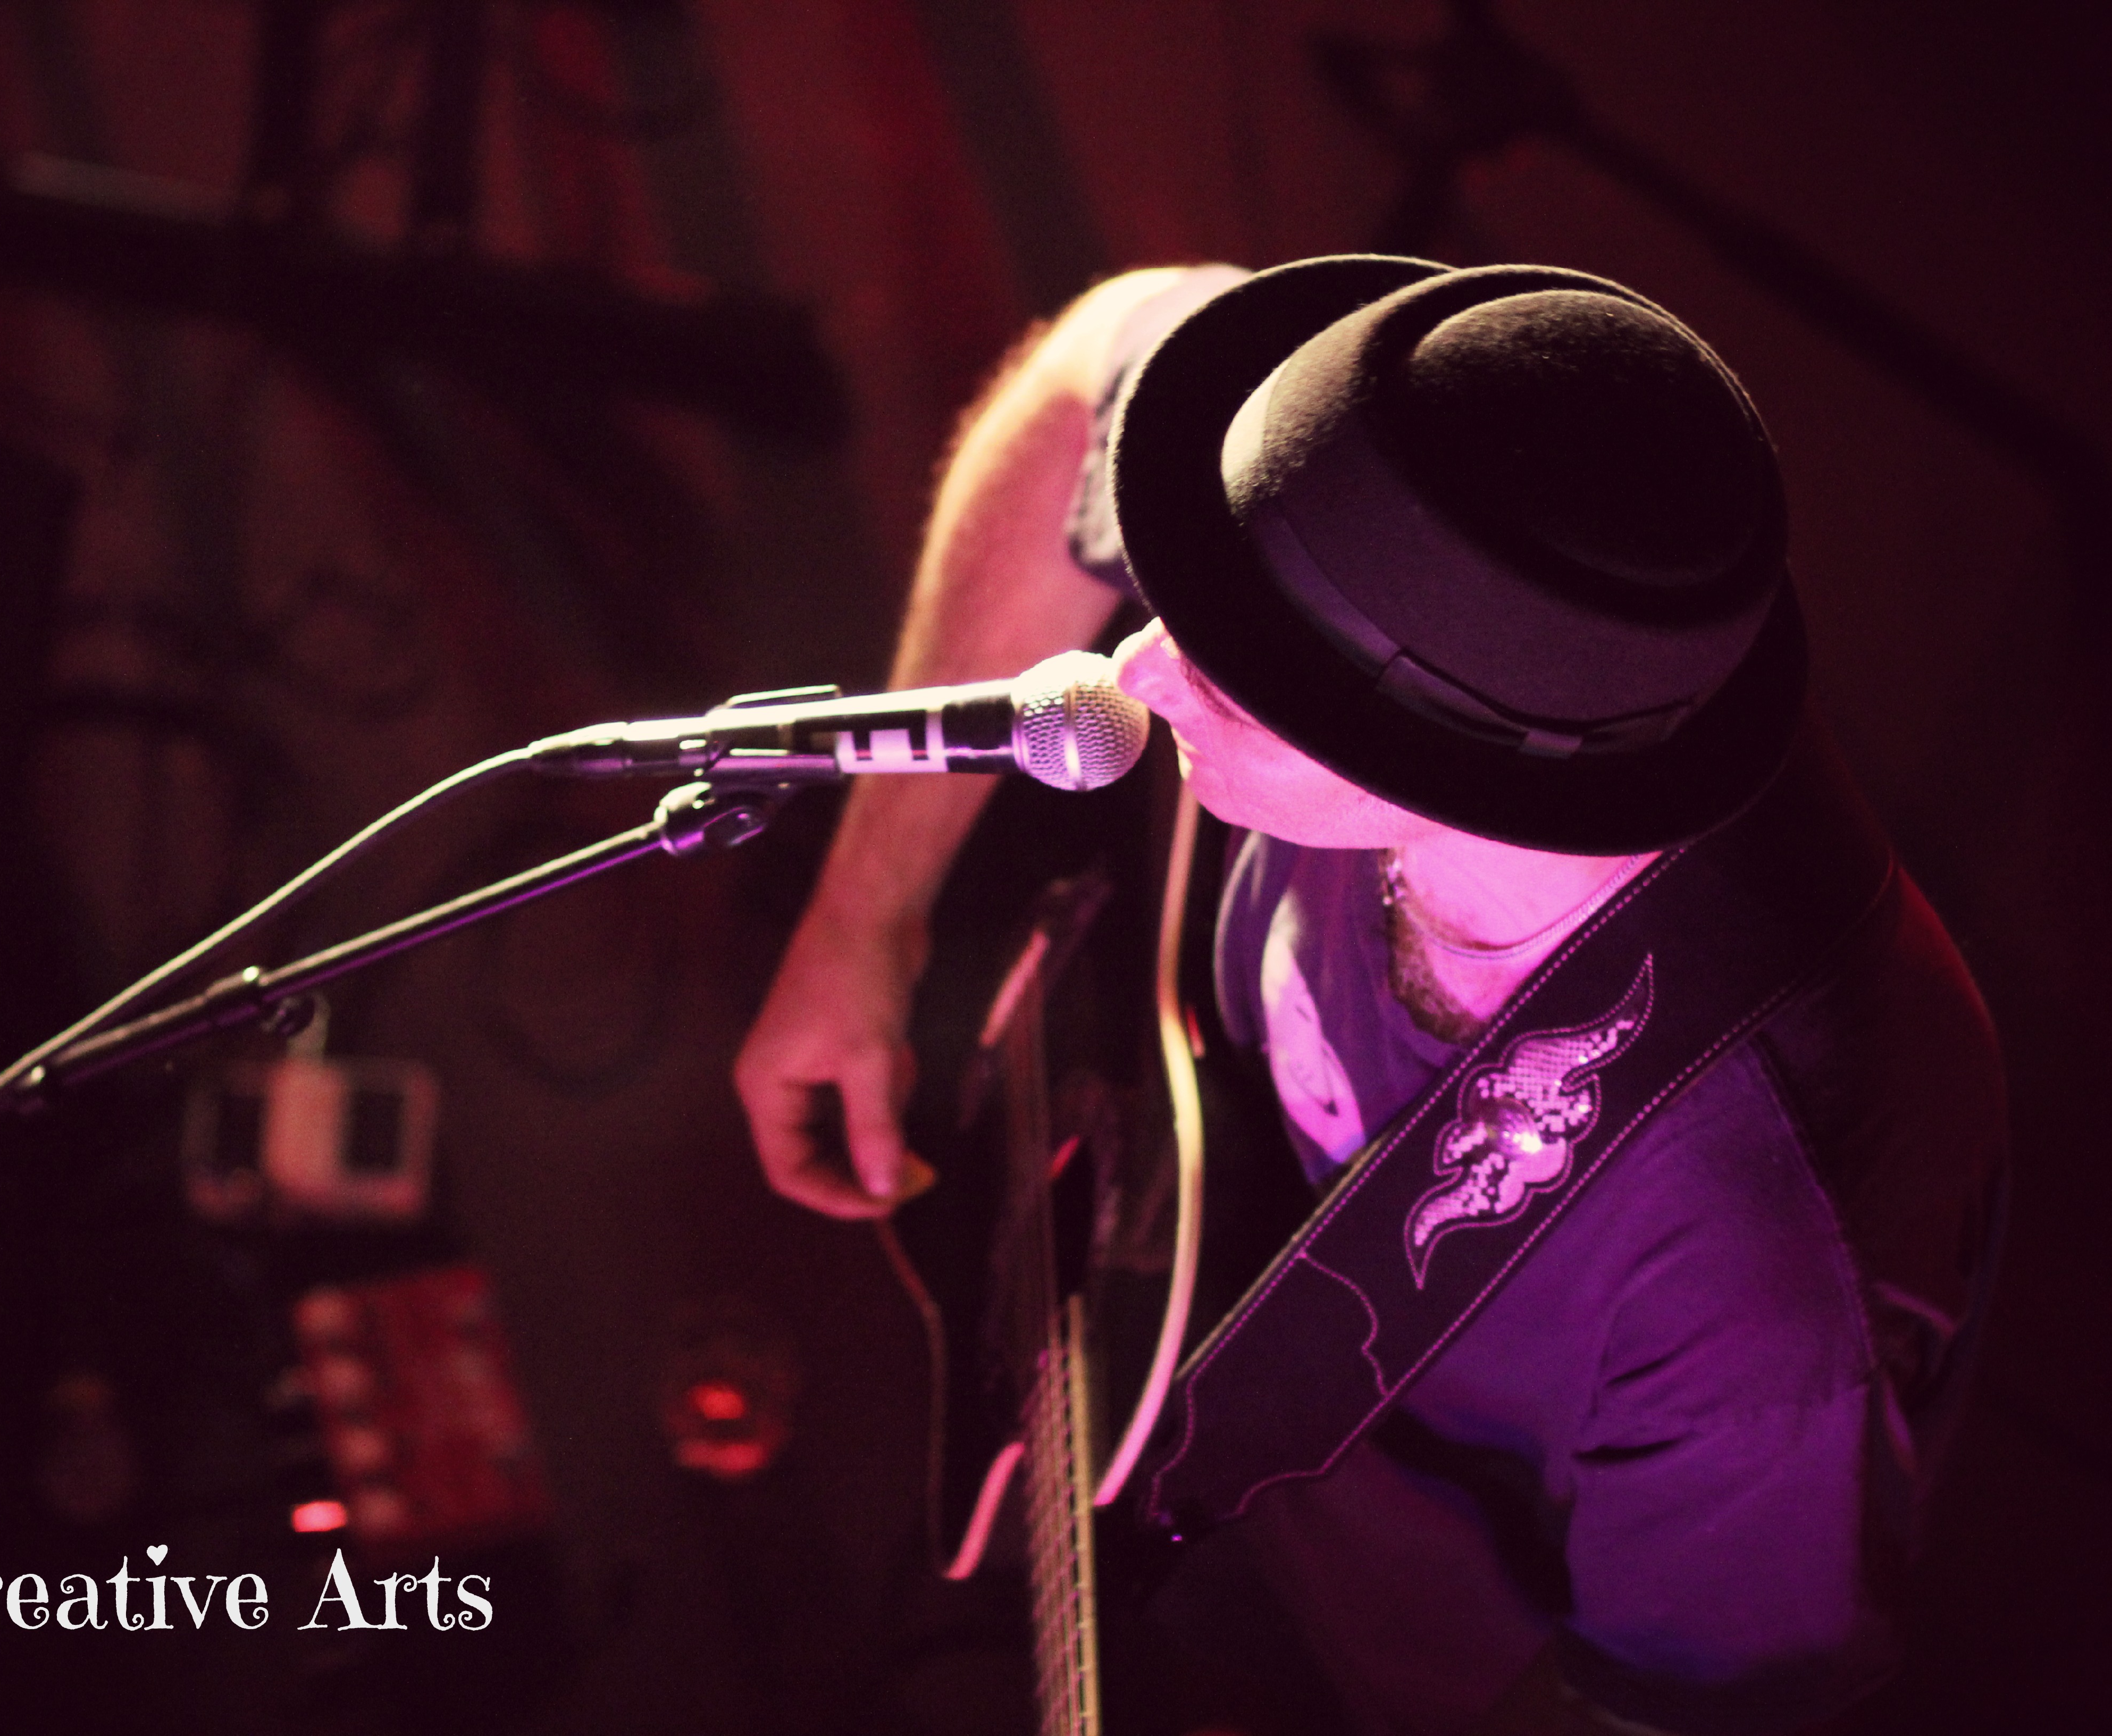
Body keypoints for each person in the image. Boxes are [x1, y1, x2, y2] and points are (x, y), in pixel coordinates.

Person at [732, 256, 2007, 1735]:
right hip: (1204, 1311)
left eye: (1232, 676)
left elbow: (1686, 1713)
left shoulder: (1750, 1287)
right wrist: (868, 912)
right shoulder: (1412, 492)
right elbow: (1089, 368)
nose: (1134, 673)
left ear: (1447, 766)